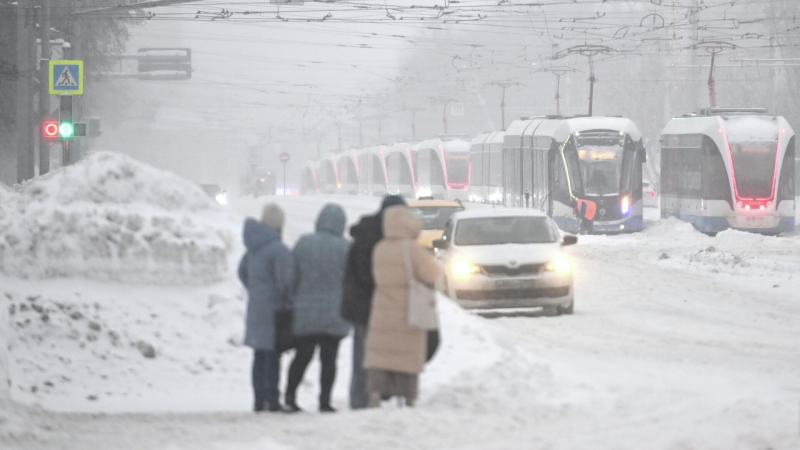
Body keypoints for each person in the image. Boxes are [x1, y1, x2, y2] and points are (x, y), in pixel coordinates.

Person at [363, 205, 443, 407]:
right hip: (407, 311)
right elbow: (433, 272)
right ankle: (407, 397)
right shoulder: (412, 249)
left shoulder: (379, 248)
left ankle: (375, 394)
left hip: (382, 310)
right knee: (406, 356)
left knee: (381, 355)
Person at [341, 195, 407, 410]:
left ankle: (373, 394)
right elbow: (366, 275)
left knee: (372, 353)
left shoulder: (376, 233)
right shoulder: (373, 236)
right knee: (365, 354)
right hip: (366, 306)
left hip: (373, 304)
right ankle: (361, 399)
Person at [285, 204, 351, 413]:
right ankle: (325, 401)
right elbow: (350, 281)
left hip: (306, 311)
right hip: (334, 313)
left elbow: (291, 276)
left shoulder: (304, 243)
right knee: (329, 359)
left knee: (302, 355)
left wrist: (295, 299)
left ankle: (290, 395)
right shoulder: (346, 248)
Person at [238, 204, 292, 413]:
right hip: (274, 310)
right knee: (272, 356)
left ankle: (259, 400)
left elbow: (242, 272)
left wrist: (255, 289)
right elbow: (286, 282)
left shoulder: (253, 248)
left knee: (259, 355)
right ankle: (272, 400)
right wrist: (288, 299)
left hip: (255, 307)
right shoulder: (278, 250)